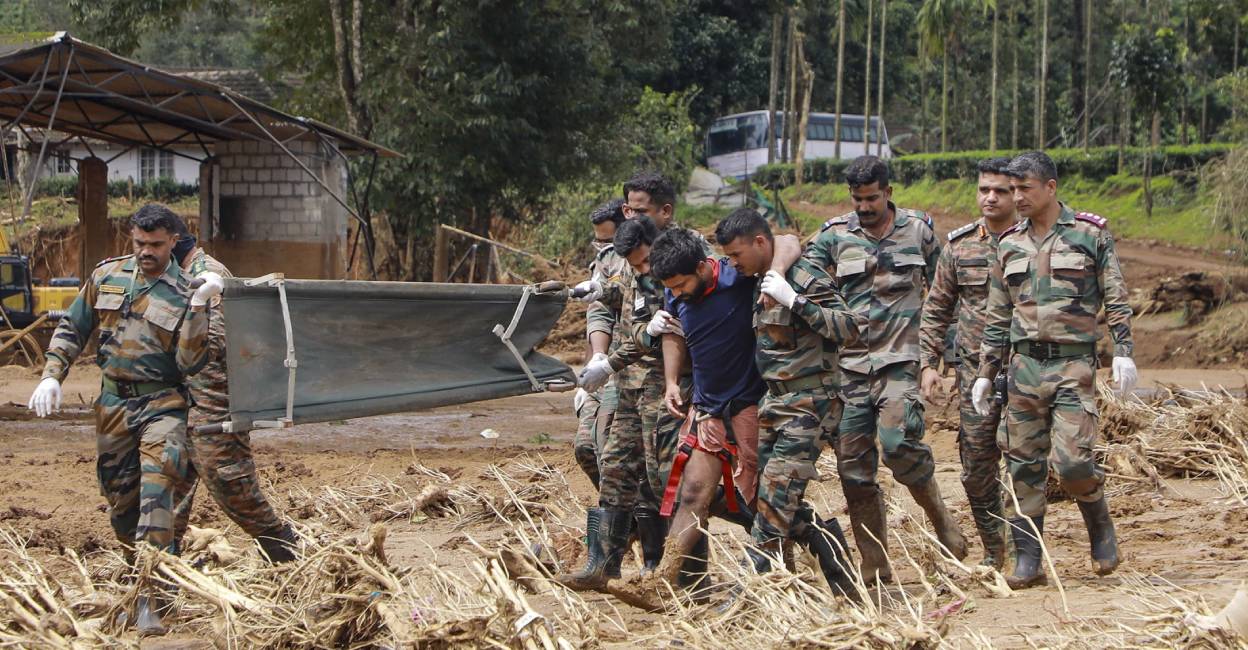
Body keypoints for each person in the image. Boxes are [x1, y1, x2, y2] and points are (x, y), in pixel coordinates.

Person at [26, 203, 220, 636]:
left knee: (157, 490)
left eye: (154, 244)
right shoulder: (108, 276)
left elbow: (192, 362)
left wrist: (200, 307)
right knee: (121, 502)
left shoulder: (188, 289)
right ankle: (149, 570)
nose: (145, 251)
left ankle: (150, 596)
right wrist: (52, 375)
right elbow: (72, 328)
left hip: (164, 406)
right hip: (113, 406)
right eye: (139, 243)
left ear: (174, 240)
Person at [792, 155, 967, 584]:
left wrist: (944, 359)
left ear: (888, 192)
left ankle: (939, 514)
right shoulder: (835, 236)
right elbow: (798, 263)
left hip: (901, 361)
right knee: (853, 470)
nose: (865, 207)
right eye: (857, 199)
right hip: (848, 368)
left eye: (872, 198)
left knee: (897, 442)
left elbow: (947, 294)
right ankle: (875, 561)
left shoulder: (919, 231)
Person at [972, 151, 1137, 589]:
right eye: (1013, 189)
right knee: (1022, 464)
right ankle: (1029, 558)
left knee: (1072, 462)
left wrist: (1123, 349)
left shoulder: (1089, 234)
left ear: (1050, 187)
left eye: (1025, 188)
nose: (1016, 197)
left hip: (1073, 364)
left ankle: (1100, 526)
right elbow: (997, 313)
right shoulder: (1007, 244)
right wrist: (986, 372)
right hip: (1024, 366)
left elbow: (1115, 295)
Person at [617, 226, 767, 606]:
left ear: (703, 267)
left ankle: (775, 577)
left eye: (682, 285)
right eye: (672, 287)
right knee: (694, 494)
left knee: (766, 499)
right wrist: (670, 381)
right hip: (708, 409)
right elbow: (672, 331)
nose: (677, 292)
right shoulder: (674, 285)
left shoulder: (739, 276)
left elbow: (787, 244)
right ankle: (665, 582)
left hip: (751, 406)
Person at [716, 208, 861, 597]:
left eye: (736, 254)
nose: (733, 263)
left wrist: (795, 301)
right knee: (774, 500)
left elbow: (849, 328)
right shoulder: (757, 280)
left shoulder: (803, 278)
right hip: (774, 405)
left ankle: (748, 590)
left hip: (810, 406)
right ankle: (844, 585)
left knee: (777, 498)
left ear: (760, 243)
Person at [557, 216, 691, 590]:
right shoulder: (637, 270)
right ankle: (603, 564)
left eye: (644, 262)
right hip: (631, 384)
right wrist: (601, 291)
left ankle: (672, 570)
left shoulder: (680, 269)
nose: (643, 270)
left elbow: (653, 333)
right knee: (614, 465)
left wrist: (613, 360)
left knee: (661, 478)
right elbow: (632, 310)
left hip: (665, 385)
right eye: (634, 265)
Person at [166, 215, 298, 564]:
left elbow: (217, 342)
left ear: (173, 240)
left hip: (214, 401)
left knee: (231, 486)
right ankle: (164, 568)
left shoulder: (209, 272)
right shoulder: (176, 274)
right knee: (169, 487)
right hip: (184, 401)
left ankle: (285, 549)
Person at [918, 157, 1019, 569]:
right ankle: (996, 548)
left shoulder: (1034, 242)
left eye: (1000, 190)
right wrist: (929, 363)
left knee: (1027, 465)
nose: (990, 198)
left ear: (1018, 193)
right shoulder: (960, 247)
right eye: (984, 190)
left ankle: (1025, 552)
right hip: (976, 375)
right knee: (976, 467)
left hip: (1028, 371)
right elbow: (936, 309)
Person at [572, 198, 628, 488]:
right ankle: (623, 520)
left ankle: (626, 522)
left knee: (614, 455)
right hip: (603, 368)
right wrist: (592, 360)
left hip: (633, 369)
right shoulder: (605, 262)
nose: (604, 247)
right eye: (598, 242)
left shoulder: (649, 257)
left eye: (609, 240)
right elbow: (598, 315)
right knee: (585, 447)